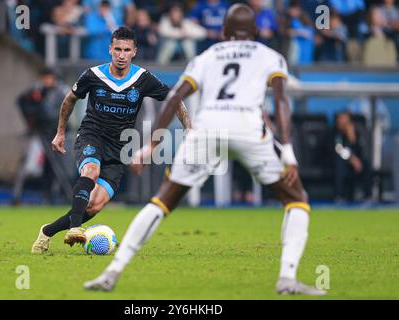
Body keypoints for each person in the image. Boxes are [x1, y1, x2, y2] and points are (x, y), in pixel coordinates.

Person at [84, 4, 326, 296]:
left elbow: (175, 97)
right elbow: (281, 101)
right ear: (257, 32)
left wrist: (151, 144)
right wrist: (287, 149)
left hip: (207, 129)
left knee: (162, 201)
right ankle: (287, 277)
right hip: (247, 128)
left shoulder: (207, 56)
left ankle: (112, 272)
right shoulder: (270, 56)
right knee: (296, 199)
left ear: (223, 32)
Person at [31, 27, 191, 253]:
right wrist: (60, 132)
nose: (122, 54)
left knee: (95, 205)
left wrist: (189, 129)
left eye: (127, 50)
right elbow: (69, 100)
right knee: (91, 171)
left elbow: (175, 100)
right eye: (117, 49)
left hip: (120, 148)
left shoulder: (142, 79)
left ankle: (47, 231)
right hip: (91, 135)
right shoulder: (93, 75)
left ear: (134, 51)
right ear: (110, 49)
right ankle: (75, 228)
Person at [13, 67, 70, 205]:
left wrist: (39, 110)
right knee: (35, 163)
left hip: (56, 132)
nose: (46, 80)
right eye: (44, 77)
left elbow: (55, 113)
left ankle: (64, 195)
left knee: (58, 165)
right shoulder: (37, 90)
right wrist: (32, 117)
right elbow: (21, 101)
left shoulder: (61, 91)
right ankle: (22, 195)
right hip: (40, 131)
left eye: (49, 77)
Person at [333, 111, 372, 203]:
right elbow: (338, 149)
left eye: (345, 121)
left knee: (366, 163)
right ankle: (339, 196)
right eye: (340, 120)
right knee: (339, 164)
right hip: (341, 160)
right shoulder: (335, 132)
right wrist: (352, 159)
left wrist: (353, 139)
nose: (342, 123)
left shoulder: (356, 132)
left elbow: (362, 150)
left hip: (355, 162)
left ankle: (368, 196)